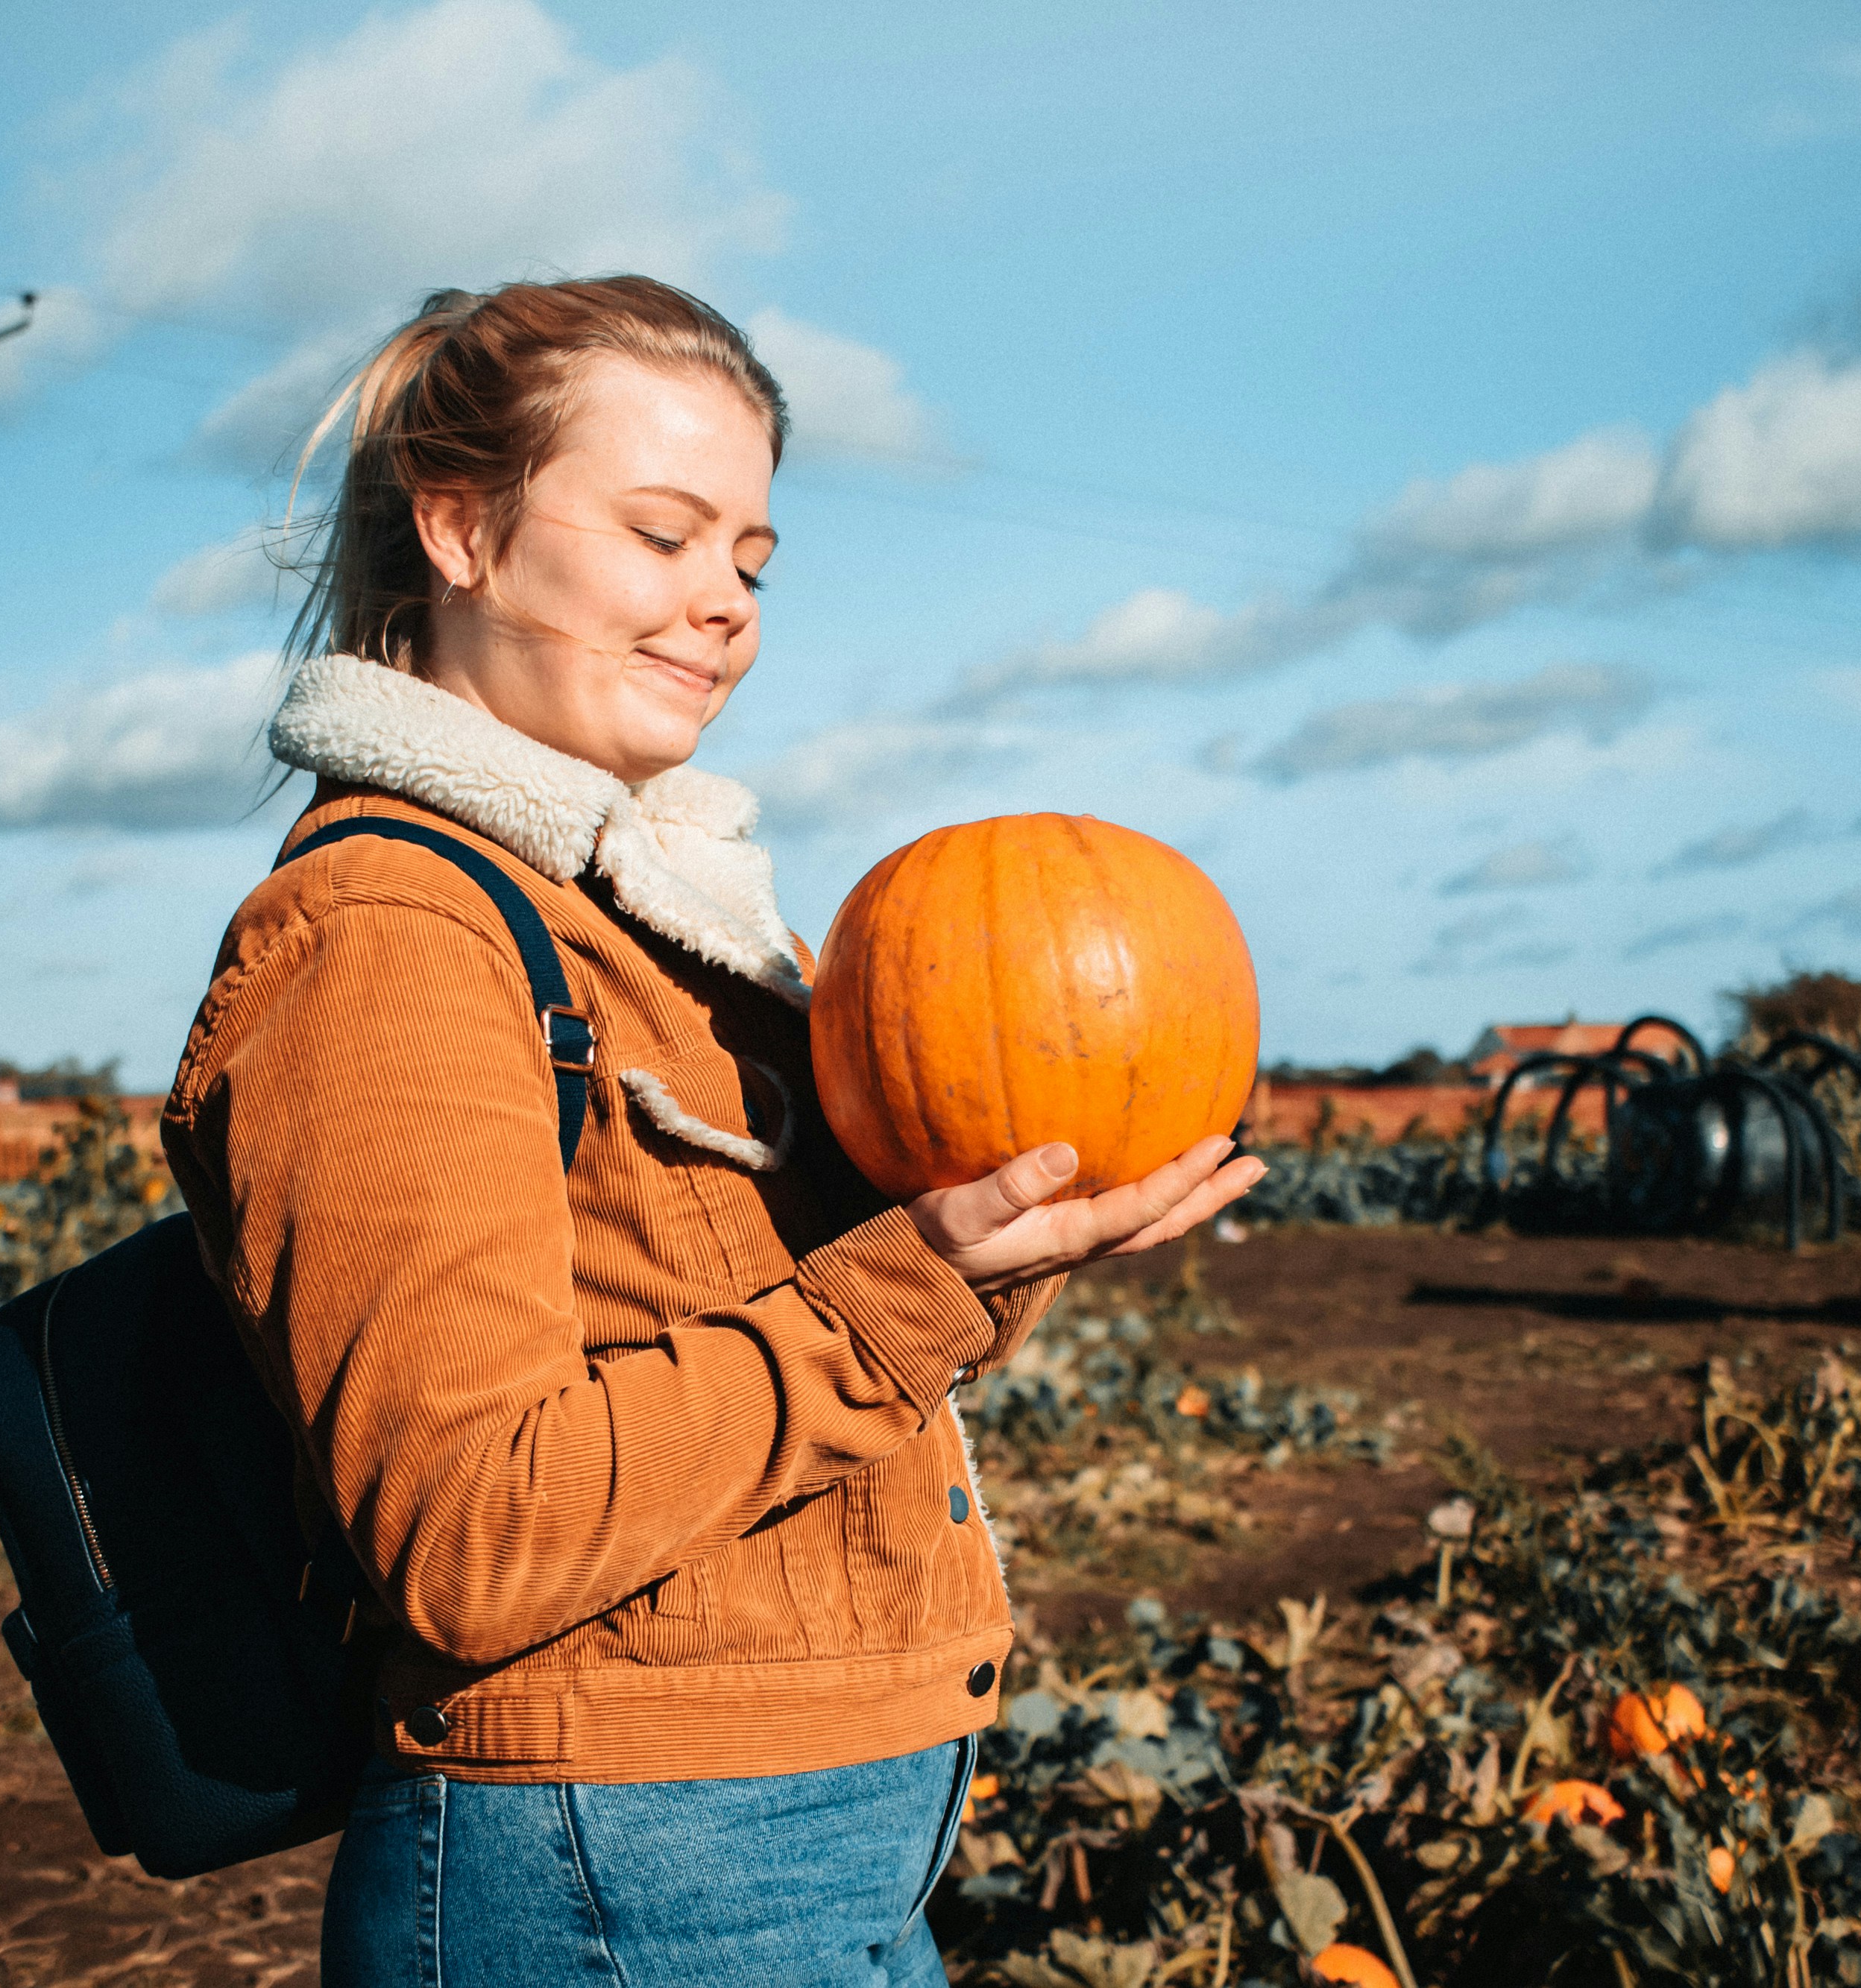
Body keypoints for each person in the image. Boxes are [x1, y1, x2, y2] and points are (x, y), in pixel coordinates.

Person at [158, 276, 1265, 1987]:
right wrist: (911, 1290)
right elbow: (468, 1527)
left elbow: (829, 1357)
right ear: (458, 525)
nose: (723, 606)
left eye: (749, 558)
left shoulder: (676, 928)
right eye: (662, 535)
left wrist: (1005, 1252)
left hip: (812, 1846)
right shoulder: (390, 932)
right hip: (616, 1863)